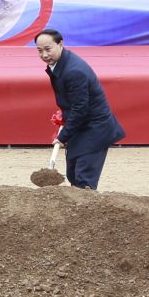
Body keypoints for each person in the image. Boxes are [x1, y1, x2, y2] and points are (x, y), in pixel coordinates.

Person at [35, 28, 125, 189]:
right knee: (72, 174)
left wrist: (62, 136)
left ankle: (88, 205)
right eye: (40, 51)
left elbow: (80, 109)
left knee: (83, 180)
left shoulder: (74, 71)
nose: (44, 55)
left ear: (60, 44)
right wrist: (65, 113)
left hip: (94, 129)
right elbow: (75, 102)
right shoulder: (60, 64)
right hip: (80, 126)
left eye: (48, 49)